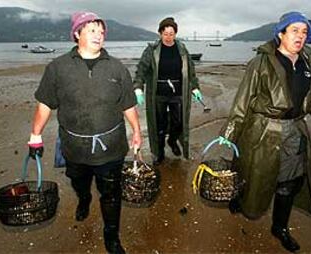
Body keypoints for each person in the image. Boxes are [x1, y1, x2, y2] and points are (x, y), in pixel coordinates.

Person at [218, 11, 311, 252]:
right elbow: (243, 101)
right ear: (281, 33)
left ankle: (279, 227)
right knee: (254, 175)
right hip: (262, 130)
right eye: (295, 30)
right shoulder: (260, 63)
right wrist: (228, 135)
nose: (300, 36)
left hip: (295, 130)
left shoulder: (309, 64)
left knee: (290, 182)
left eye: (304, 32)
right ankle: (240, 200)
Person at [27, 11, 142, 254]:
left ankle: (111, 237)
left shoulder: (117, 68)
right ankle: (83, 198)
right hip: (74, 147)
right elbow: (45, 104)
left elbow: (128, 105)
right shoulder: (57, 68)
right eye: (92, 30)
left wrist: (137, 132)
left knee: (111, 193)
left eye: (101, 32)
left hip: (111, 147)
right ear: (77, 34)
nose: (98, 35)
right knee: (78, 181)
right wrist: (35, 135)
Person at [133, 17, 202, 165]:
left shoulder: (182, 49)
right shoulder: (152, 50)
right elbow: (141, 70)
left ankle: (172, 140)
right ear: (160, 33)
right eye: (166, 33)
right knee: (159, 124)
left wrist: (195, 87)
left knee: (179, 122)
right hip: (159, 94)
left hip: (178, 94)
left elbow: (191, 71)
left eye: (172, 33)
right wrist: (138, 87)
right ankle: (159, 152)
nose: (169, 37)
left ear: (175, 34)